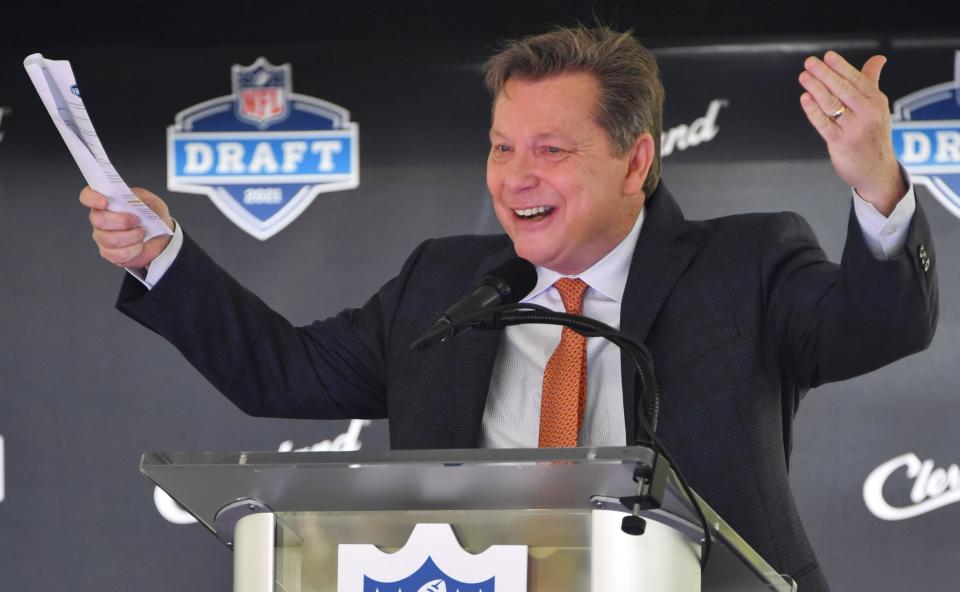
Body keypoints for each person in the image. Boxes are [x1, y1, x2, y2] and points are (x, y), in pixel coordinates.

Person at [79, 27, 937, 592]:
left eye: (551, 150)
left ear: (636, 162)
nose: (515, 176)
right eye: (501, 147)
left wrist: (876, 185)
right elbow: (280, 372)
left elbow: (878, 325)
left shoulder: (743, 263)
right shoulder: (445, 286)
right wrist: (165, 257)